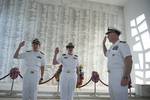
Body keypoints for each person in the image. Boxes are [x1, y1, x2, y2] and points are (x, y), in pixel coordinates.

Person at [102, 28, 133, 100]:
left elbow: (129, 60)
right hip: (111, 76)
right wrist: (103, 44)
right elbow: (105, 53)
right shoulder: (112, 47)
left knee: (120, 97)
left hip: (119, 76)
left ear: (114, 34)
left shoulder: (122, 45)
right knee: (113, 97)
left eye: (109, 34)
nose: (107, 36)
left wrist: (125, 76)